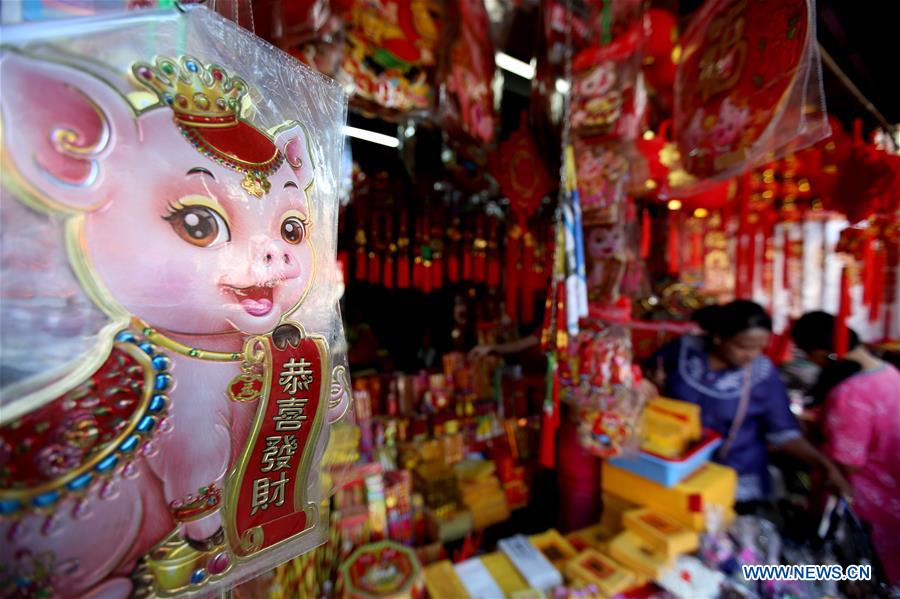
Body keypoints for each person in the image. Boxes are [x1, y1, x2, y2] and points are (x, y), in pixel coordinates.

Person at [644, 300, 850, 510]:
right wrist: (650, 384)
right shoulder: (683, 349)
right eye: (743, 347)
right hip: (673, 467)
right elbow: (646, 379)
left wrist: (823, 465)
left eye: (760, 347)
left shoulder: (763, 373)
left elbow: (783, 432)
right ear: (719, 337)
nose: (752, 355)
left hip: (735, 476)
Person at [791, 311, 900, 584]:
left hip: (862, 505)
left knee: (856, 575)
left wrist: (806, 438)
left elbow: (846, 463)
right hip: (891, 498)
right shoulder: (888, 372)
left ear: (820, 353)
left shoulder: (850, 393)